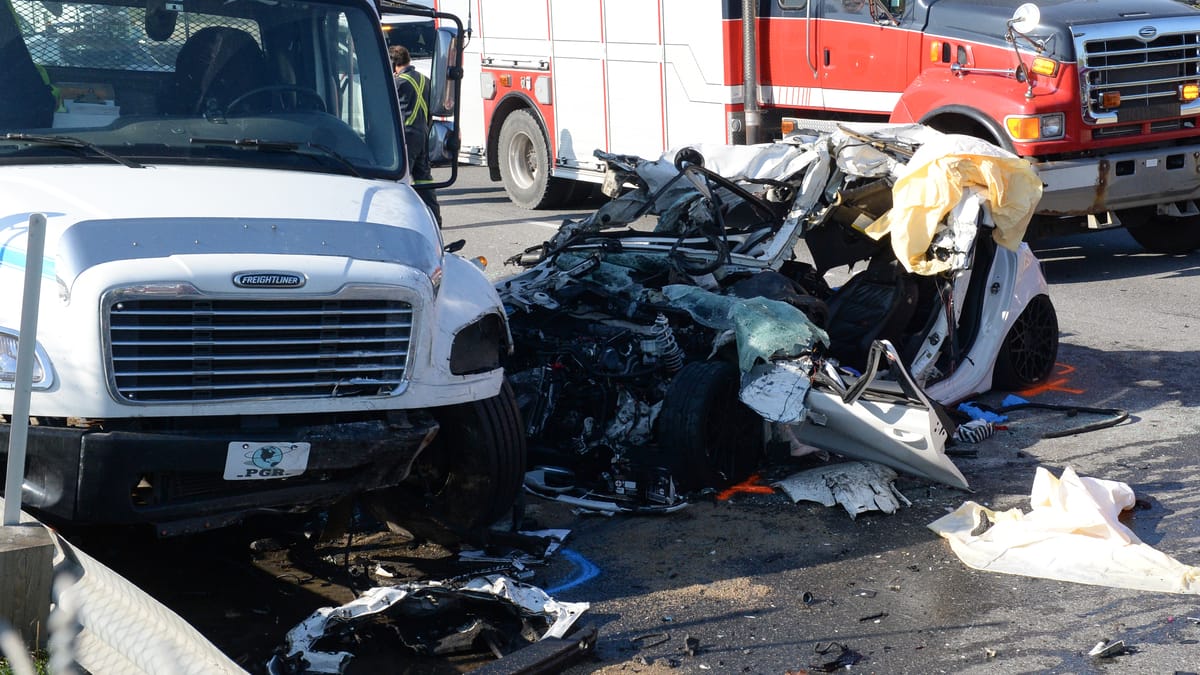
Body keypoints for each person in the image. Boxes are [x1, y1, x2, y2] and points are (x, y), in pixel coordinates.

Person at [390, 44, 441, 226]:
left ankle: (399, 221)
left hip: (406, 135)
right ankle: (435, 219)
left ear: (394, 64)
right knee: (423, 178)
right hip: (422, 134)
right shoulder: (425, 80)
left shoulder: (398, 83)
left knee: (398, 181)